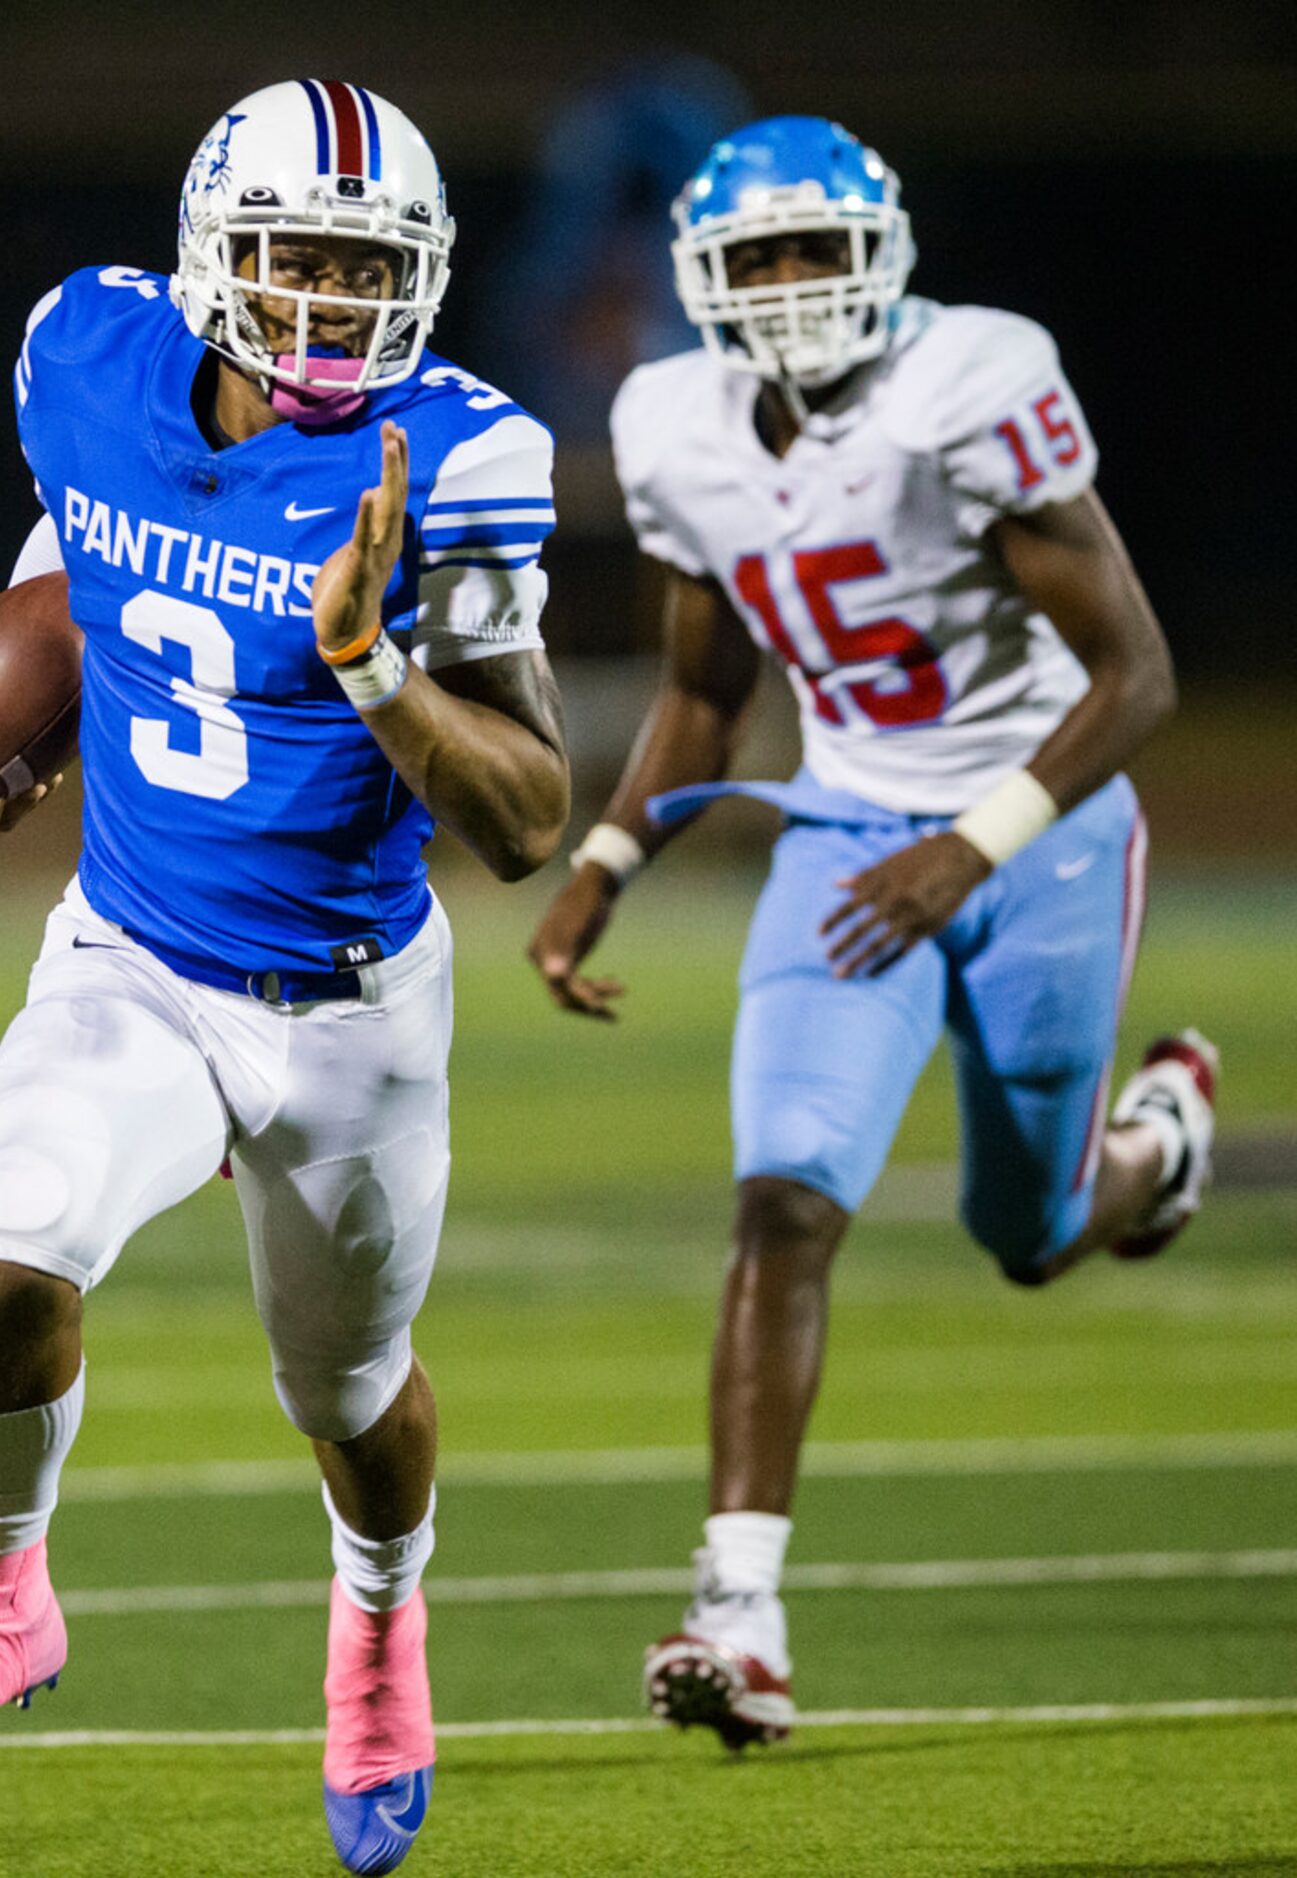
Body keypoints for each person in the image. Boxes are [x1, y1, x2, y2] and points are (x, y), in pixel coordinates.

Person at [0, 80, 569, 1875]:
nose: (327, 301)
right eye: (292, 257)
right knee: (13, 1257)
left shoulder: (457, 461)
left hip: (345, 1001)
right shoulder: (82, 350)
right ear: (207, 258)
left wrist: (379, 665)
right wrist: (9, 722)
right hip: (135, 954)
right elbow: (78, 547)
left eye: (363, 267)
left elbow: (533, 812)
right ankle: (4, 1602)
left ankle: (380, 1635)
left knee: (351, 1397)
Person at [528, 114, 1217, 1749]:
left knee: (1029, 1230)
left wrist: (967, 850)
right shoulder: (676, 424)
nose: (783, 289)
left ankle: (1155, 1151)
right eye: (750, 260)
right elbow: (706, 687)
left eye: (809, 253)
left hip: (1038, 833)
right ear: (702, 282)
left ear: (881, 256)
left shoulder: (968, 385)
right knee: (780, 1202)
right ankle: (738, 1612)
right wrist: (607, 853)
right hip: (846, 834)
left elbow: (1139, 677)